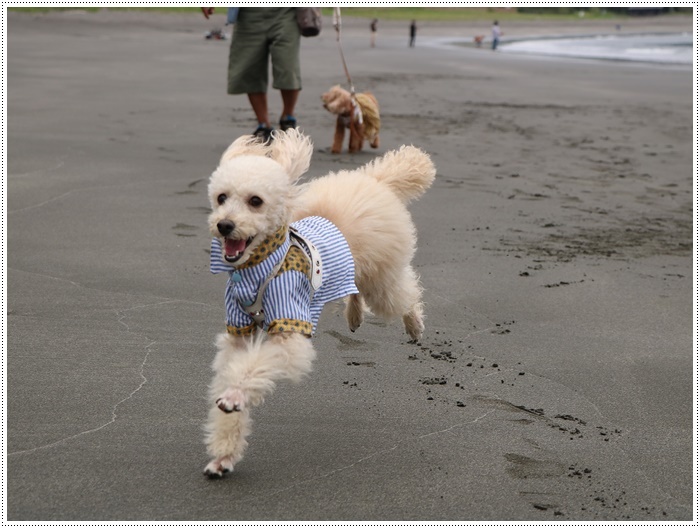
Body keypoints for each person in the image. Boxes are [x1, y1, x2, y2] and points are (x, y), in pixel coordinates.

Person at [202, 7, 301, 143]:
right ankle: (264, 125)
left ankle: (288, 117)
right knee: (249, 66)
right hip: (247, 13)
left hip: (286, 11)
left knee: (287, 66)